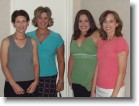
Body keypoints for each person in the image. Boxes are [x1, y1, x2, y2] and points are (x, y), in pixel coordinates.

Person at [27, 6, 65, 97]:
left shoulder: (56, 37)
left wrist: (61, 80)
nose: (42, 21)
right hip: (30, 76)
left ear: (49, 20)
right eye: (39, 18)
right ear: (36, 20)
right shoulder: (28, 36)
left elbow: (61, 60)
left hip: (49, 78)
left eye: (45, 18)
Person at [0, 10, 39, 97]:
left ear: (28, 23)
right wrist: (13, 85)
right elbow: (4, 65)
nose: (21, 25)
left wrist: (36, 82)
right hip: (12, 85)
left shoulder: (32, 41)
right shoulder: (6, 42)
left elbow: (36, 64)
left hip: (31, 85)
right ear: (13, 24)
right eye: (18, 22)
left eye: (23, 21)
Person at [91, 10, 129, 97]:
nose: (107, 25)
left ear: (117, 24)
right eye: (105, 21)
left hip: (113, 90)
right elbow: (98, 66)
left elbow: (122, 72)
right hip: (99, 88)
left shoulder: (121, 42)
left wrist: (114, 95)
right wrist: (93, 90)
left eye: (111, 21)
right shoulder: (101, 42)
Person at [68, 9, 100, 97]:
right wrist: (69, 75)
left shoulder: (97, 35)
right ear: (77, 23)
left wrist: (95, 80)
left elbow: (102, 59)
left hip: (91, 81)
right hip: (76, 80)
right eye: (80, 21)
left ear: (91, 22)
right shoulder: (74, 36)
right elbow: (72, 57)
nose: (83, 24)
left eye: (86, 21)